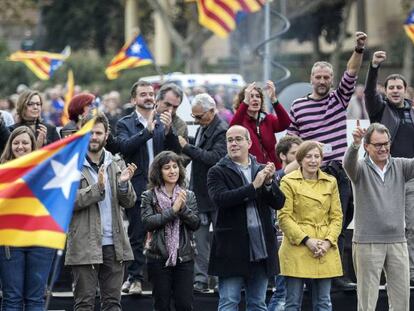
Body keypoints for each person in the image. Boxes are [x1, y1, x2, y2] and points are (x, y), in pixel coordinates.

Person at [287, 31, 367, 290]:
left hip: (338, 170)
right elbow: (291, 142)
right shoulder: (298, 106)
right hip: (311, 174)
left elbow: (352, 72)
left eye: (326, 77)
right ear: (310, 79)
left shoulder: (338, 98)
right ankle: (311, 271)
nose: (322, 81)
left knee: (339, 222)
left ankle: (336, 274)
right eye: (318, 77)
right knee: (311, 224)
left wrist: (358, 49)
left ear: (331, 80)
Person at [207, 125, 285, 311]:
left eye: (238, 139)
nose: (233, 143)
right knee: (229, 302)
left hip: (261, 249)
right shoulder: (217, 171)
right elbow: (221, 200)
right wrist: (253, 186)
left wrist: (267, 184)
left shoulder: (261, 169)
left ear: (249, 143)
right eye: (230, 140)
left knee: (258, 303)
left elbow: (279, 202)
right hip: (231, 249)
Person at [65, 113, 137, 311]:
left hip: (114, 245)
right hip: (84, 246)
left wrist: (123, 185)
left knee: (113, 305)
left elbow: (130, 202)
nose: (94, 137)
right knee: (84, 305)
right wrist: (97, 188)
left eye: (98, 132)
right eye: (89, 133)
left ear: (106, 135)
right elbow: (68, 202)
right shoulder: (70, 164)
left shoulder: (116, 162)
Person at [117, 81, 181, 294]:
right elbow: (124, 147)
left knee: (163, 234)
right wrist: (147, 131)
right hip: (137, 187)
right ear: (133, 99)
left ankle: (163, 280)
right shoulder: (125, 123)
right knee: (137, 234)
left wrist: (170, 131)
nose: (148, 97)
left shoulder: (163, 122)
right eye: (143, 94)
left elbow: (174, 153)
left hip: (161, 187)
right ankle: (134, 278)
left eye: (151, 94)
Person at [344, 122, 414, 311]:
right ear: (367, 146)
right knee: (367, 301)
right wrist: (355, 144)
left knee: (402, 301)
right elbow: (347, 163)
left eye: (386, 143)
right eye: (378, 144)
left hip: (398, 241)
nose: (383, 148)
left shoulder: (400, 165)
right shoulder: (358, 169)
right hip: (367, 242)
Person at [364, 51, 414, 285]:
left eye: (398, 87)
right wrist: (374, 67)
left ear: (406, 90)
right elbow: (368, 92)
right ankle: (386, 275)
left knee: (412, 227)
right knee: (387, 228)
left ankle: (410, 273)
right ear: (386, 90)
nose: (395, 90)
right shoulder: (379, 110)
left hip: (410, 176)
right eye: (391, 87)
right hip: (385, 176)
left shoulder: (413, 113)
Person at [277, 141, 343, 310]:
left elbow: (337, 217)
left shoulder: (331, 182)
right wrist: (307, 240)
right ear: (300, 159)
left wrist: (327, 242)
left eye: (317, 156)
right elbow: (284, 217)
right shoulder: (288, 181)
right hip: (297, 246)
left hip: (324, 247)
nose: (313, 160)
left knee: (324, 303)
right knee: (292, 303)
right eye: (308, 156)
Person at [0, 126, 55, 311]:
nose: (20, 146)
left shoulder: (45, 170)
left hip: (40, 241)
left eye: (25, 143)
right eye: (16, 143)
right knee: (12, 298)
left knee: (35, 299)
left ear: (33, 146)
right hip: (10, 243)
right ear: (10, 145)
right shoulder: (3, 170)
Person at [178, 93, 228, 292]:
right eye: (195, 117)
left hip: (216, 194)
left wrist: (187, 147)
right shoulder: (203, 127)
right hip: (200, 192)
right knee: (199, 240)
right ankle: (201, 279)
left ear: (212, 111)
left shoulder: (222, 130)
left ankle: (218, 279)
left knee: (220, 240)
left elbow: (214, 157)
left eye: (200, 117)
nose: (197, 121)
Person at [141, 151, 200, 310]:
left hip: (184, 258)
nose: (172, 171)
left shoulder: (188, 195)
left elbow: (195, 223)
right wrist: (173, 210)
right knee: (161, 305)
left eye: (175, 166)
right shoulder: (149, 196)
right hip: (157, 258)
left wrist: (182, 208)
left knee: (184, 304)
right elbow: (147, 223)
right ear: (159, 171)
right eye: (167, 167)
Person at [267, 135, 302, 311]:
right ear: (282, 155)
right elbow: (284, 173)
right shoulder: (275, 176)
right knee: (281, 294)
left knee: (294, 296)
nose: (301, 158)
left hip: (301, 242)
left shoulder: (303, 179)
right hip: (280, 243)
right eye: (296, 154)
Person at [230, 80, 291, 169]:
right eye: (250, 96)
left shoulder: (268, 119)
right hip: (252, 171)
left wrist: (274, 99)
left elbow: (285, 123)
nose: (255, 99)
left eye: (258, 96)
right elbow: (233, 127)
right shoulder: (240, 121)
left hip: (273, 169)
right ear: (244, 101)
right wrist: (245, 102)